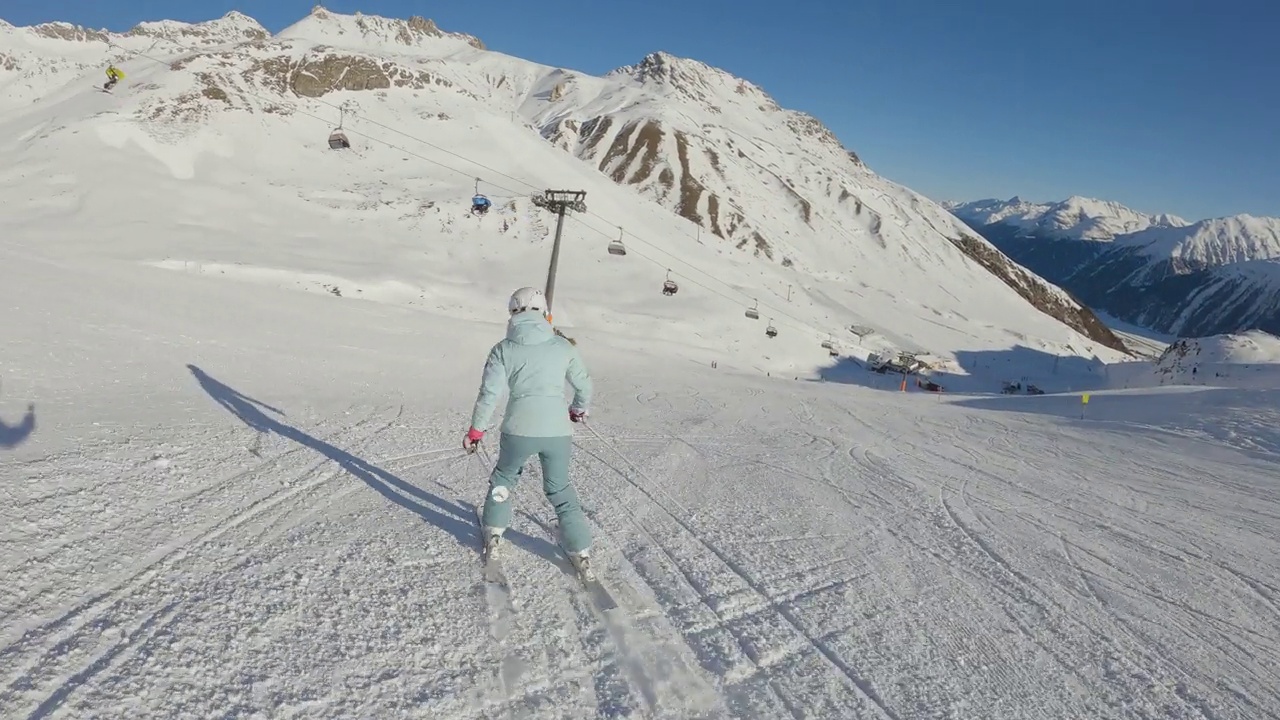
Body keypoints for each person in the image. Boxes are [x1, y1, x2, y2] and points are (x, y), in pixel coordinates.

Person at [464, 287, 595, 578]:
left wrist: (476, 431)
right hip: (557, 432)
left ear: (512, 313)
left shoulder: (503, 349)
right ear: (545, 312)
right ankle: (581, 551)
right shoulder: (563, 347)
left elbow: (489, 394)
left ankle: (495, 535)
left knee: (504, 479)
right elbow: (584, 385)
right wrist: (577, 409)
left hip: (518, 429)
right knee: (560, 488)